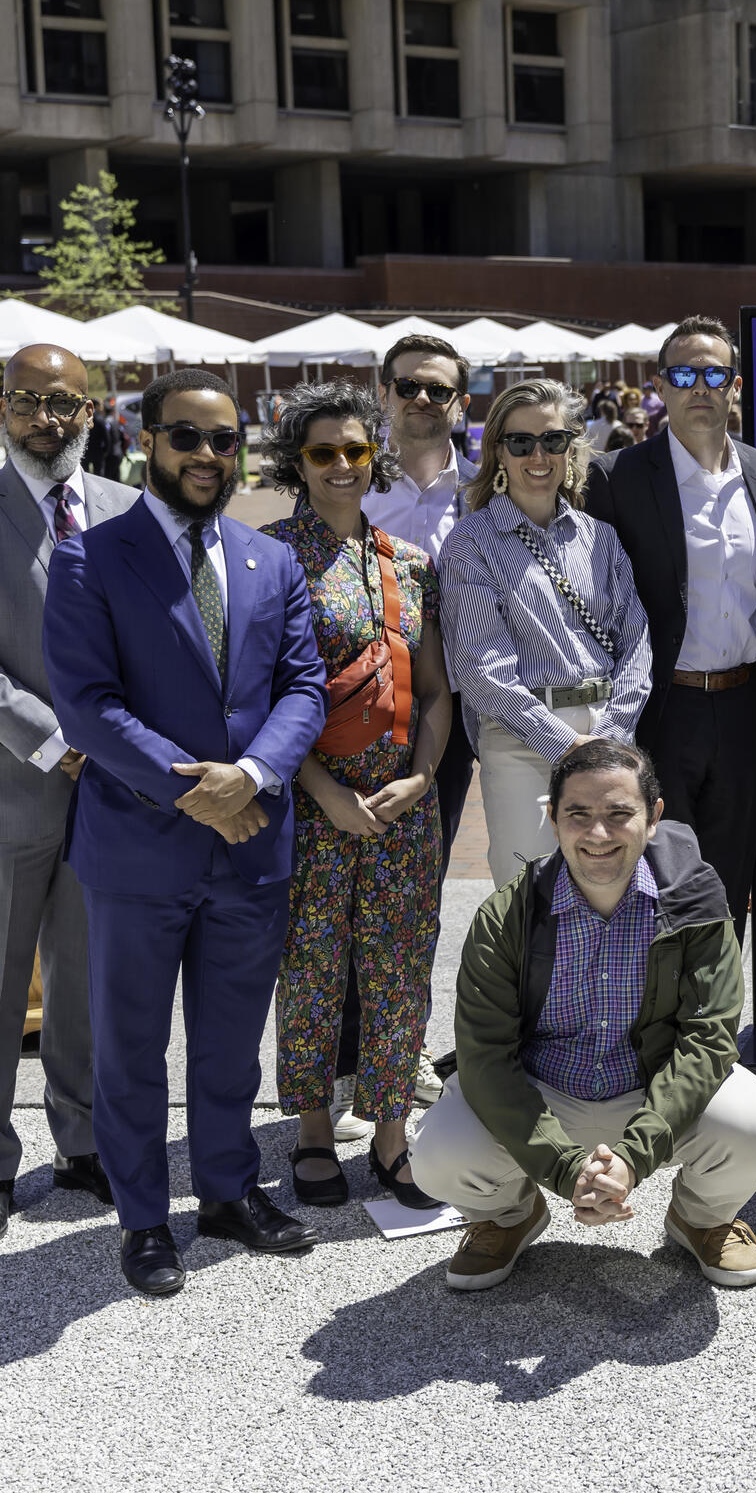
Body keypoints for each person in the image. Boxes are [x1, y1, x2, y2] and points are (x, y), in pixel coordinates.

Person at [42, 367, 330, 1297]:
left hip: (253, 842)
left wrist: (252, 775)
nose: (208, 455)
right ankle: (142, 1218)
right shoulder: (89, 558)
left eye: (225, 439)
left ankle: (227, 1191)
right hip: (138, 849)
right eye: (188, 436)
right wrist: (199, 790)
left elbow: (302, 687)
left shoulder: (269, 560)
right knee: (131, 1048)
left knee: (230, 1042)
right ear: (146, 440)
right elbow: (87, 706)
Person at [409, 738, 756, 1290]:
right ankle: (509, 1216)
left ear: (653, 817)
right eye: (578, 814)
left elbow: (707, 1042)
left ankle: (701, 1218)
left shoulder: (697, 906)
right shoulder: (507, 915)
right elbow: (485, 1055)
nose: (598, 833)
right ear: (553, 819)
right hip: (543, 1093)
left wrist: (634, 1157)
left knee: (753, 1124)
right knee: (438, 1151)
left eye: (619, 814)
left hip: (649, 1087)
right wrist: (565, 1170)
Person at [0, 345, 138, 1251]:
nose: (46, 419)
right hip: (2, 794)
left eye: (63, 403)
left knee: (85, 987)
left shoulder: (128, 508)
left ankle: (82, 1146)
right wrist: (59, 740)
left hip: (107, 800)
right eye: (27, 402)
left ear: (91, 411)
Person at [256, 380, 453, 1212]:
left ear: (376, 456)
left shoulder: (409, 562)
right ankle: (312, 1127)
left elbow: (436, 691)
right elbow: (260, 699)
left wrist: (423, 776)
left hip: (403, 807)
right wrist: (326, 791)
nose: (342, 465)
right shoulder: (267, 557)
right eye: (322, 451)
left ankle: (391, 1133)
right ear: (295, 462)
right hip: (312, 806)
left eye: (356, 450)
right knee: (311, 966)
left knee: (401, 965)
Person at [584, 315, 756, 928]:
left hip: (741, 704)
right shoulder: (616, 477)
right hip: (661, 709)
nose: (699, 387)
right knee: (659, 883)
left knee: (729, 879)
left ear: (735, 386)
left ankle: (718, 995)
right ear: (660, 386)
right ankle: (660, 995)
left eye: (714, 375)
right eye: (684, 374)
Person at [440, 379, 651, 889]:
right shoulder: (471, 543)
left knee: (610, 889)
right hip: (522, 742)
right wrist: (566, 746)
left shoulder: (600, 538)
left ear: (570, 448)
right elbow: (480, 671)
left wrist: (612, 736)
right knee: (529, 895)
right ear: (498, 451)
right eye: (521, 442)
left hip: (609, 728)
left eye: (553, 440)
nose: (538, 455)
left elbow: (636, 642)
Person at [346, 333, 481, 1130]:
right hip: (363, 714)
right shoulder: (351, 478)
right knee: (348, 884)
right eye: (408, 386)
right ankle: (349, 1058)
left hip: (455, 714)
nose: (422, 399)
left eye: (438, 389)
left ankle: (403, 1046)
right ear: (384, 393)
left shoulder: (488, 488)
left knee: (418, 890)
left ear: (461, 401)